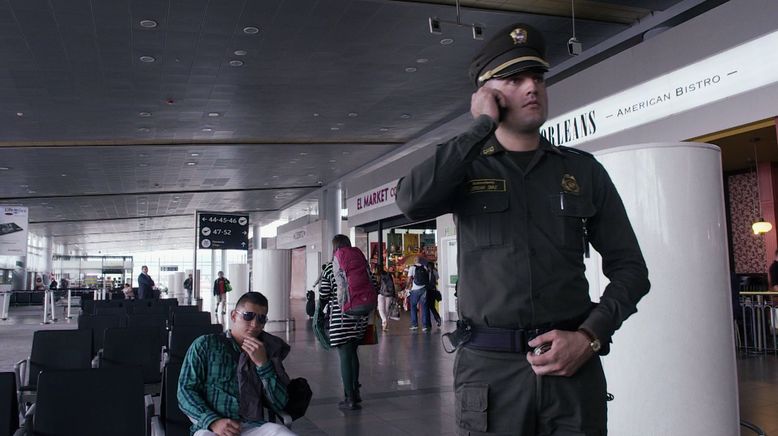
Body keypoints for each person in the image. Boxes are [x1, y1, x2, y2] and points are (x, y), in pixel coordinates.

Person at [395, 23, 650, 435]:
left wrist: (590, 336)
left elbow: (632, 270)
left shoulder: (582, 171)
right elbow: (411, 201)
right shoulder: (466, 168)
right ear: (488, 95)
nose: (532, 88)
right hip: (491, 373)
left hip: (573, 370)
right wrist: (479, 127)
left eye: (538, 78)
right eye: (515, 79)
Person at [178, 291, 297, 436]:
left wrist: (263, 364)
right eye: (248, 316)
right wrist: (213, 421)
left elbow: (279, 403)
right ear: (234, 316)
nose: (254, 324)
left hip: (252, 425)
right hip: (211, 427)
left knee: (281, 432)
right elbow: (185, 390)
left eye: (261, 319)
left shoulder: (268, 350)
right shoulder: (206, 345)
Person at [318, 234, 369, 410]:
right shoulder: (362, 264)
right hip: (360, 318)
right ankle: (356, 392)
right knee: (353, 353)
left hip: (341, 319)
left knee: (345, 356)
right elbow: (374, 284)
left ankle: (350, 398)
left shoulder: (331, 267)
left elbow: (324, 293)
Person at [405, 256, 431, 332]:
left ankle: (414, 324)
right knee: (424, 307)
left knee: (413, 306)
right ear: (420, 261)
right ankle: (425, 326)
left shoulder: (412, 268)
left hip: (415, 289)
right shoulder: (425, 267)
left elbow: (409, 279)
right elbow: (428, 278)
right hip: (424, 289)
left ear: (414, 260)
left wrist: (406, 287)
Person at [374, 266, 395, 331]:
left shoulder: (377, 276)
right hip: (389, 294)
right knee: (386, 309)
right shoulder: (389, 275)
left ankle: (384, 320)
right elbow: (393, 284)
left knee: (381, 309)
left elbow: (375, 285)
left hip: (380, 294)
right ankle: (385, 325)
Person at [425, 262, 442, 328]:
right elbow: (437, 279)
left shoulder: (426, 272)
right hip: (433, 290)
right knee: (432, 306)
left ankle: (428, 323)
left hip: (427, 291)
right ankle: (437, 318)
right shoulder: (435, 271)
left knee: (427, 306)